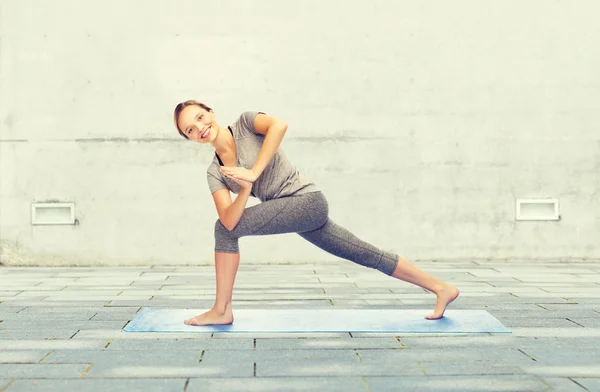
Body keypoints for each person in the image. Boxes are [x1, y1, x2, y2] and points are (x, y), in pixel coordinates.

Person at [173, 100, 459, 326]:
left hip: (307, 202)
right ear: (191, 139)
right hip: (294, 212)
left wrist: (253, 172)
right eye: (190, 130)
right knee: (364, 253)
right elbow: (230, 218)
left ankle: (222, 310)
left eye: (199, 117)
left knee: (222, 232)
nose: (199, 127)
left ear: (210, 112)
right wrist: (246, 188)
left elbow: (279, 126)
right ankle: (441, 288)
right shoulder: (215, 173)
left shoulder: (246, 123)